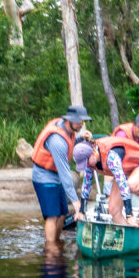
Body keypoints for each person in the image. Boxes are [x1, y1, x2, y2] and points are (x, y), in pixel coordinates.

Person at [31, 105, 91, 248]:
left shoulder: (67, 129)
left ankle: (56, 243)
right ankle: (51, 250)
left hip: (55, 176)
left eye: (83, 122)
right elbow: (65, 174)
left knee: (62, 213)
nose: (81, 125)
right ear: (68, 120)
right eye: (78, 122)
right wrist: (76, 203)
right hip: (44, 178)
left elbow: (69, 143)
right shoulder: (56, 140)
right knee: (52, 216)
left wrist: (81, 138)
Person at [72, 135, 139, 226]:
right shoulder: (89, 162)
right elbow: (87, 184)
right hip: (125, 171)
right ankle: (126, 234)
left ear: (93, 152)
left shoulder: (111, 157)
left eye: (87, 162)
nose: (87, 165)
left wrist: (129, 215)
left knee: (130, 184)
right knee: (113, 210)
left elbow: (122, 184)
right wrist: (81, 211)